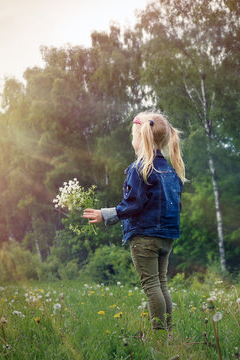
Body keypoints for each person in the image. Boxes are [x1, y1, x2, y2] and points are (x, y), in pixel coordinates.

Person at [82, 111, 186, 331]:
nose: (132, 140)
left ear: (140, 138)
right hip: (167, 237)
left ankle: (159, 336)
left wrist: (106, 214)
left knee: (151, 286)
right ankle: (167, 334)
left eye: (133, 136)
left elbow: (133, 204)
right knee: (161, 284)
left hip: (145, 237)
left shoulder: (139, 169)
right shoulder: (170, 170)